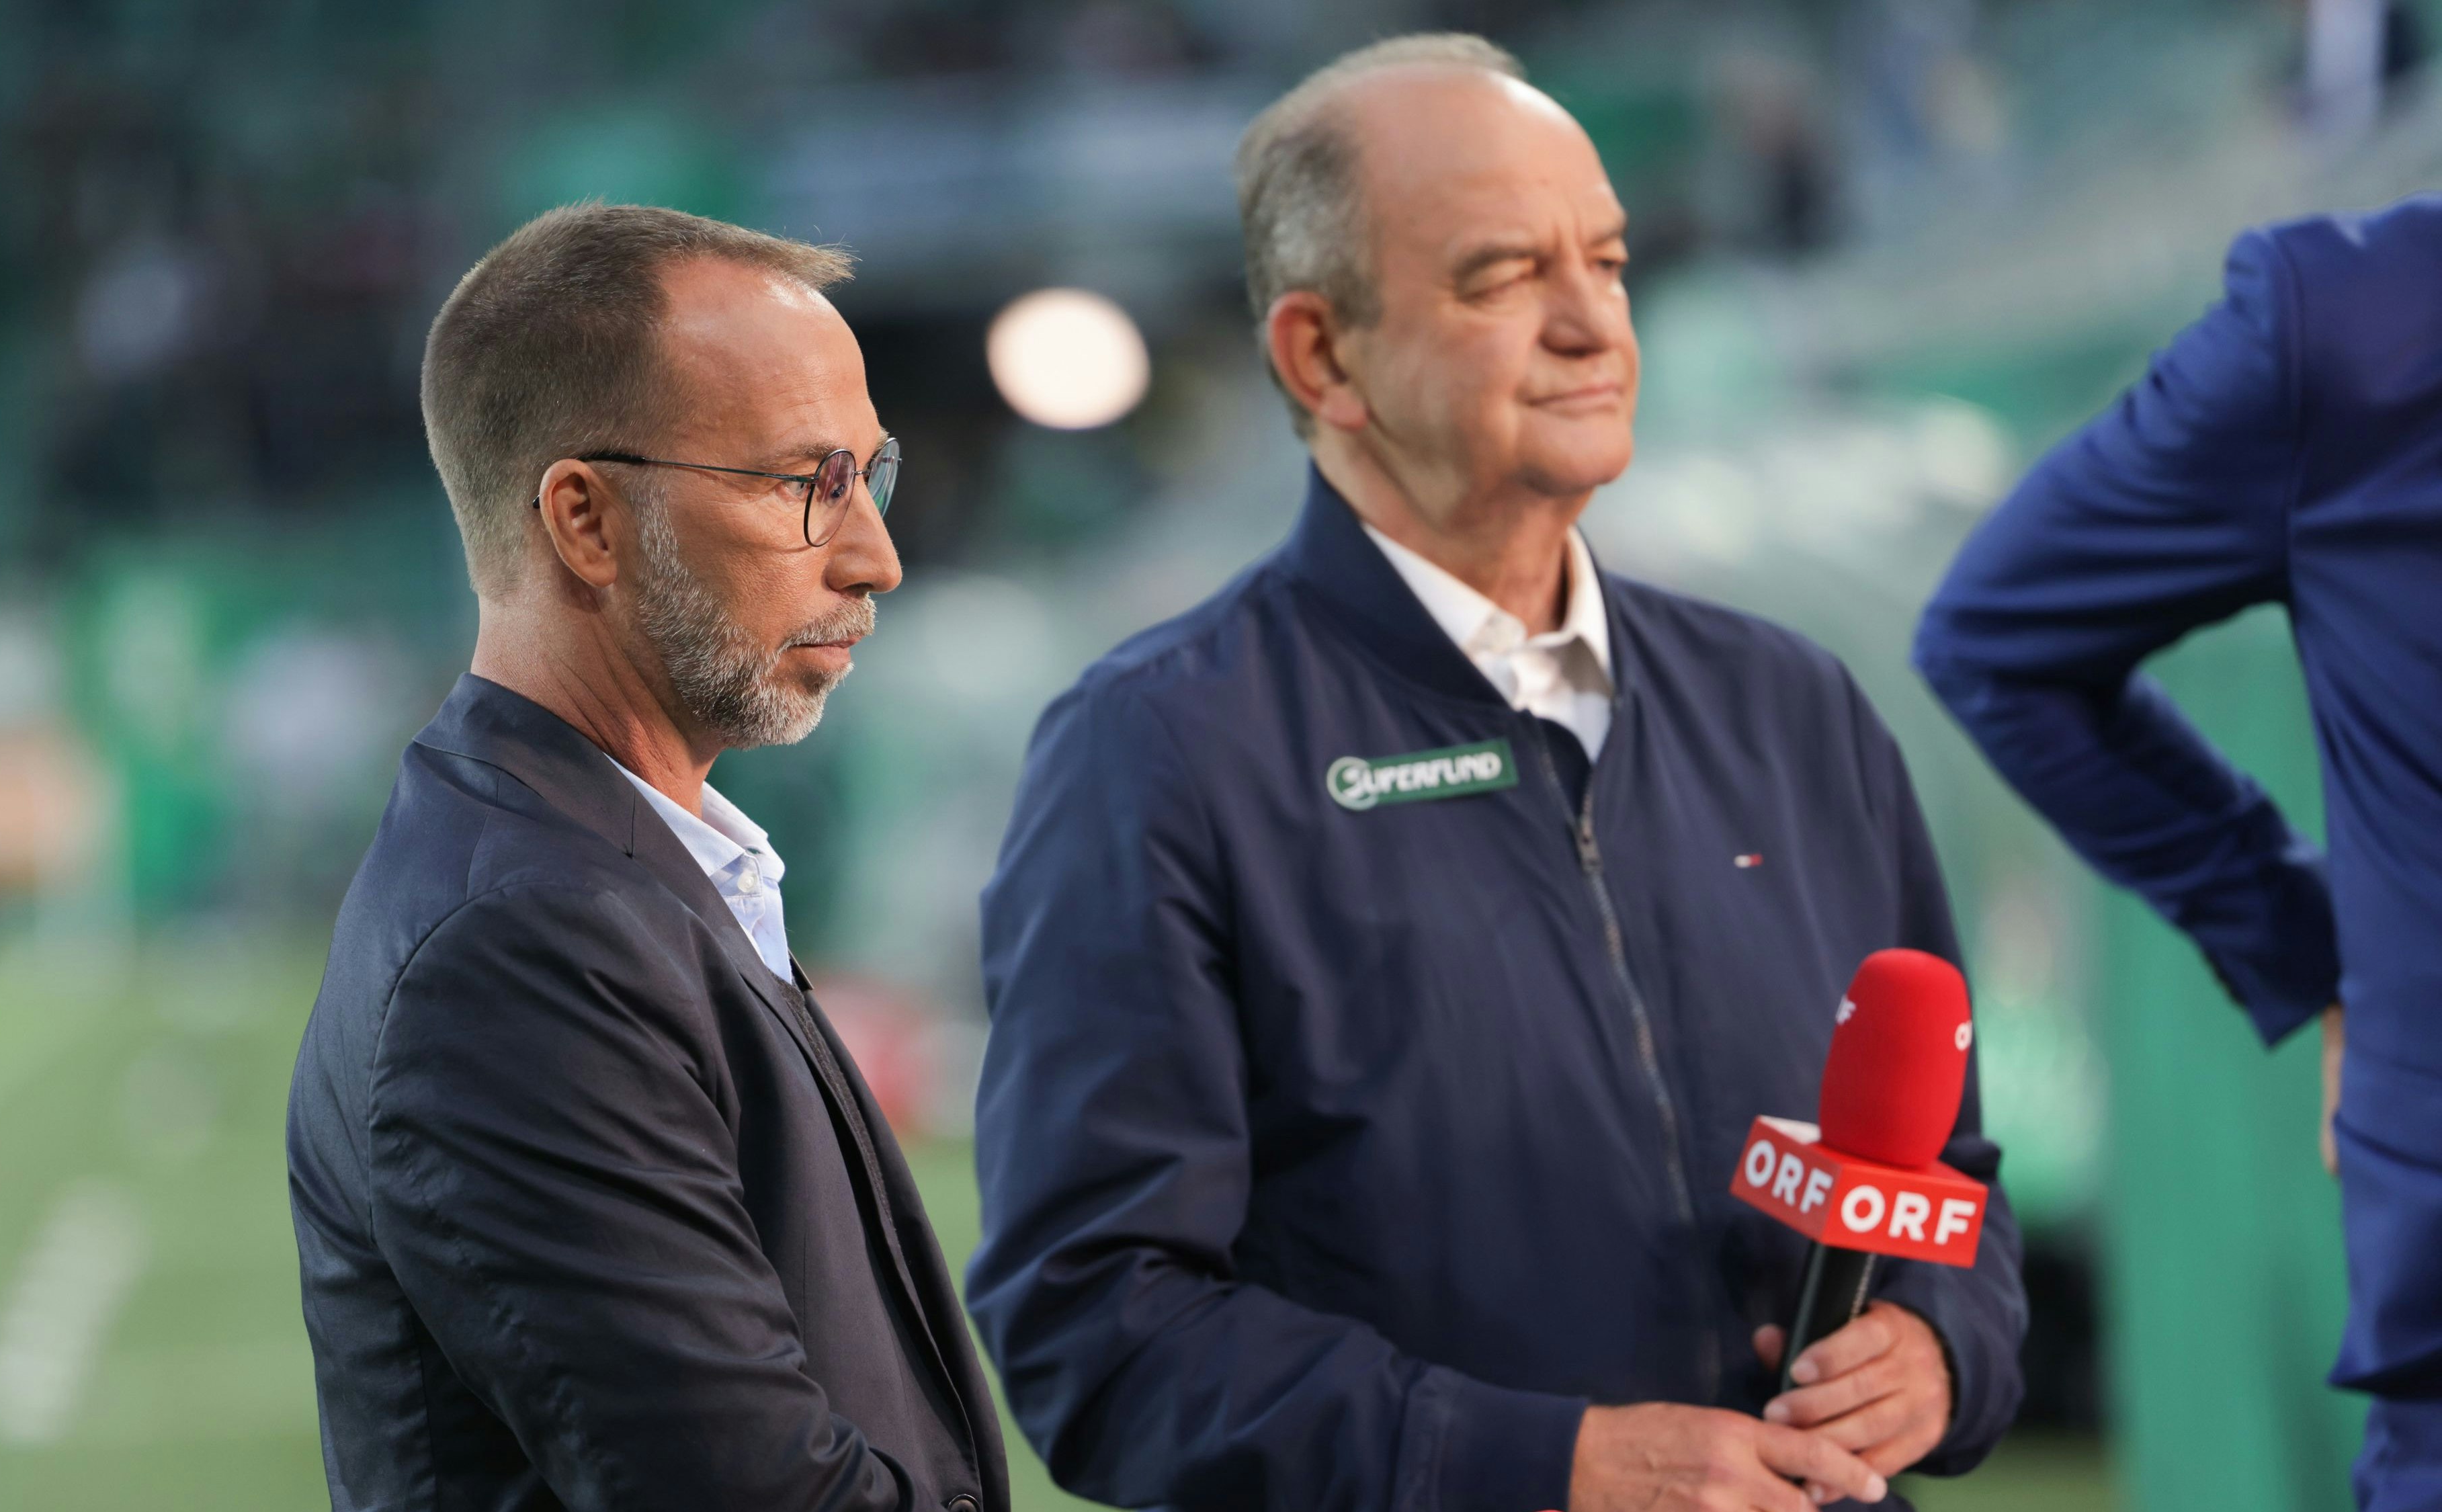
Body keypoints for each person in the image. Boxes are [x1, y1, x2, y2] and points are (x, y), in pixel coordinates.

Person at [968, 34, 2025, 1512]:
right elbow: (1098, 1333)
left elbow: (1947, 1177)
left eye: (1607, 260)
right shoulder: (1157, 753)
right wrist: (1551, 1467)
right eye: (1501, 277)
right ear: (1319, 357)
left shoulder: (1792, 705)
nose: (1592, 322)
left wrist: (1939, 1339)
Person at [285, 204, 1005, 1512]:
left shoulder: (595, 870)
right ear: (586, 521)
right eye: (807, 485)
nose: (875, 557)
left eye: (871, 474)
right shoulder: (520, 944)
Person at [1914, 195, 2442, 1511]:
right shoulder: (2354, 324)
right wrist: (2311, 959)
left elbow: (1995, 640)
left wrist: (2312, 964)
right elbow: (1997, 643)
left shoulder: (2361, 313)